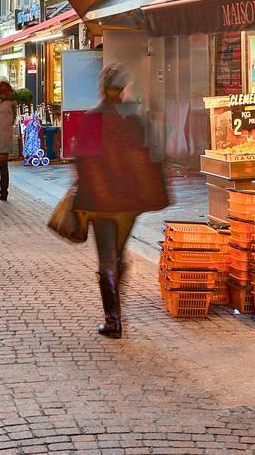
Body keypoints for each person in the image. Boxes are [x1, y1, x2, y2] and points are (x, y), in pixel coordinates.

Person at [73, 64, 168, 339]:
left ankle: (113, 320)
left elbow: (82, 161)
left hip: (101, 200)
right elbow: (153, 157)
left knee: (107, 257)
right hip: (129, 201)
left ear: (103, 87)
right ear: (124, 88)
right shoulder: (135, 119)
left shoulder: (92, 118)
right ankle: (117, 311)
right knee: (119, 252)